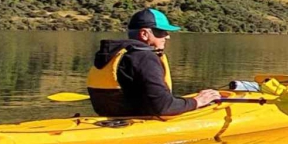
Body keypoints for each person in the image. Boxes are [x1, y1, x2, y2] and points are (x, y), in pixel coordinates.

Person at [87, 8, 221, 117]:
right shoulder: (144, 57)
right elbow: (164, 107)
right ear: (144, 34)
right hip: (136, 121)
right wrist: (197, 101)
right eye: (161, 32)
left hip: (111, 117)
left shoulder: (112, 54)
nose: (167, 36)